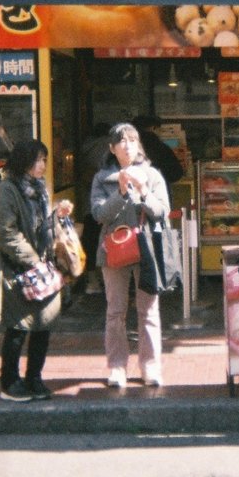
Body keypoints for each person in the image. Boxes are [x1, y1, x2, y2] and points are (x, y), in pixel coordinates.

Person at [0, 139, 73, 402]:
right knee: (18, 328)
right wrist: (34, 261)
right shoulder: (7, 191)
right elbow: (5, 232)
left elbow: (42, 229)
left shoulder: (38, 189)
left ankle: (34, 378)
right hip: (17, 270)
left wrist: (57, 216)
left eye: (44, 159)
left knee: (43, 326)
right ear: (24, 162)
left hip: (41, 270)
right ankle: (9, 383)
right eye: (38, 160)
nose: (43, 165)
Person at [91, 122, 171, 388]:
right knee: (115, 311)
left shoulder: (153, 175)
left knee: (148, 309)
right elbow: (99, 214)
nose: (128, 145)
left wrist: (144, 190)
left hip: (147, 249)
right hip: (115, 250)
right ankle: (117, 366)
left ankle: (150, 366)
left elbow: (161, 211)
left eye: (132, 140)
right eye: (121, 141)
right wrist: (122, 192)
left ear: (139, 145)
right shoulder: (102, 178)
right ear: (112, 148)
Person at [77, 121, 112, 295]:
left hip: (88, 204)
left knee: (90, 241)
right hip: (106, 204)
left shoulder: (84, 147)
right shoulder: (109, 146)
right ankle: (103, 279)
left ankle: (91, 279)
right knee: (105, 242)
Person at [132, 114, 184, 197]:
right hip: (157, 194)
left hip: (132, 195)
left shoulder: (125, 148)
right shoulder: (160, 148)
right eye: (160, 130)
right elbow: (176, 173)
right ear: (153, 128)